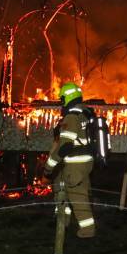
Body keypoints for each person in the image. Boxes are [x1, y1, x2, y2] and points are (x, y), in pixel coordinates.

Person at [42, 82, 96, 238]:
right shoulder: (84, 114)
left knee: (77, 196)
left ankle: (87, 231)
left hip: (74, 164)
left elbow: (64, 147)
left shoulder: (71, 117)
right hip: (81, 163)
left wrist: (48, 168)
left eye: (62, 98)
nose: (61, 102)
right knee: (61, 191)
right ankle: (62, 222)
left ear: (68, 97)